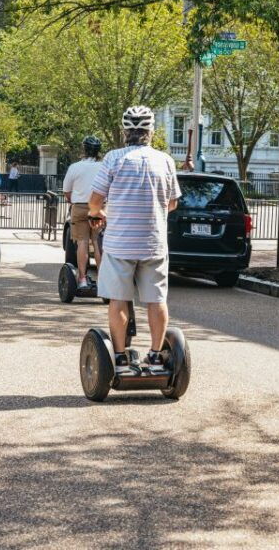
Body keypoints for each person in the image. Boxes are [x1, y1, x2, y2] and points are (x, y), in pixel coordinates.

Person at [90, 106, 180, 365]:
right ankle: (154, 354)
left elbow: (95, 200)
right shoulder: (165, 160)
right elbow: (172, 203)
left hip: (120, 243)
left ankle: (118, 356)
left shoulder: (114, 158)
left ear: (125, 131)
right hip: (154, 243)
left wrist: (101, 212)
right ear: (151, 132)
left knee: (118, 300)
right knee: (156, 299)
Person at [63, 136, 104, 288]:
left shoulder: (74, 167)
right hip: (99, 208)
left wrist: (73, 200)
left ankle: (81, 279)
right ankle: (102, 279)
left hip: (79, 207)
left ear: (84, 150)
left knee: (82, 243)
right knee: (98, 242)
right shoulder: (104, 167)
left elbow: (67, 192)